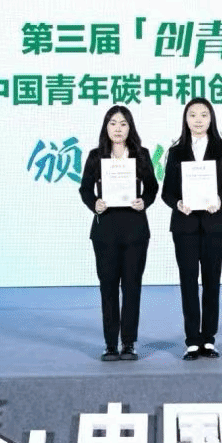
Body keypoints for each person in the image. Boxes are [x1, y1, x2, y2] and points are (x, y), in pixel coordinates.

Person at [161, 98, 222, 361]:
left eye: (204, 114)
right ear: (185, 119)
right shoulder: (176, 152)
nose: (198, 119)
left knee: (211, 281)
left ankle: (209, 338)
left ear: (211, 118)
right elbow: (167, 192)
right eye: (192, 114)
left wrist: (219, 199)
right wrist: (178, 203)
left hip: (216, 224)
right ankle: (192, 340)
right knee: (188, 281)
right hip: (185, 225)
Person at [79, 105, 159, 362]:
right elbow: (85, 189)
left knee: (132, 287)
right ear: (106, 127)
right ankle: (110, 344)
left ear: (130, 127)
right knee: (108, 288)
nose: (118, 128)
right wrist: (95, 203)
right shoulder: (96, 156)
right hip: (105, 231)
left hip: (135, 229)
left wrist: (144, 201)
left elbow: (152, 187)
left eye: (123, 123)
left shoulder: (141, 155)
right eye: (113, 123)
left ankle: (129, 343)